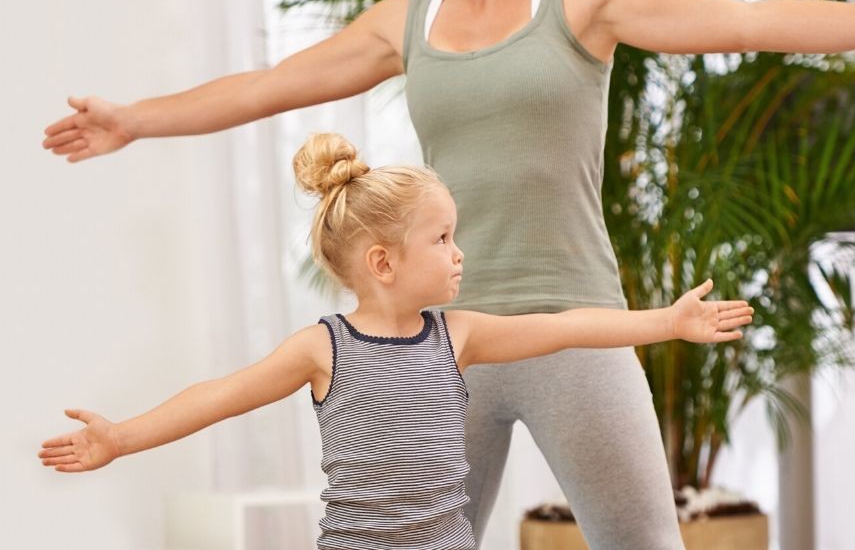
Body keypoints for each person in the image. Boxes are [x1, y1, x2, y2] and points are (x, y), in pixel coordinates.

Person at [41, 0, 855, 549]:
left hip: (573, 327)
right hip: (437, 349)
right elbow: (270, 85)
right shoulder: (408, 20)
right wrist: (136, 118)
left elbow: (740, 17)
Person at [38, 133, 753, 550]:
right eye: (441, 239)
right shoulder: (323, 350)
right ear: (383, 263)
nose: (458, 253)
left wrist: (665, 321)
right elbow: (219, 398)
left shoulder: (457, 336)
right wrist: (121, 439)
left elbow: (564, 326)